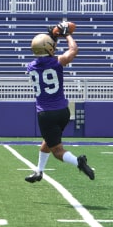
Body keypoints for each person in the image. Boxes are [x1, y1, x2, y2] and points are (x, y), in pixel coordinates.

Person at [24, 22, 95, 183]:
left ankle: (78, 162)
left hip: (46, 114)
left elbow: (46, 49)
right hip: (63, 111)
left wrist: (54, 36)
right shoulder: (57, 62)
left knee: (57, 151)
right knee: (48, 142)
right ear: (49, 48)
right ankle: (39, 171)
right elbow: (73, 50)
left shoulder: (31, 66)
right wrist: (66, 34)